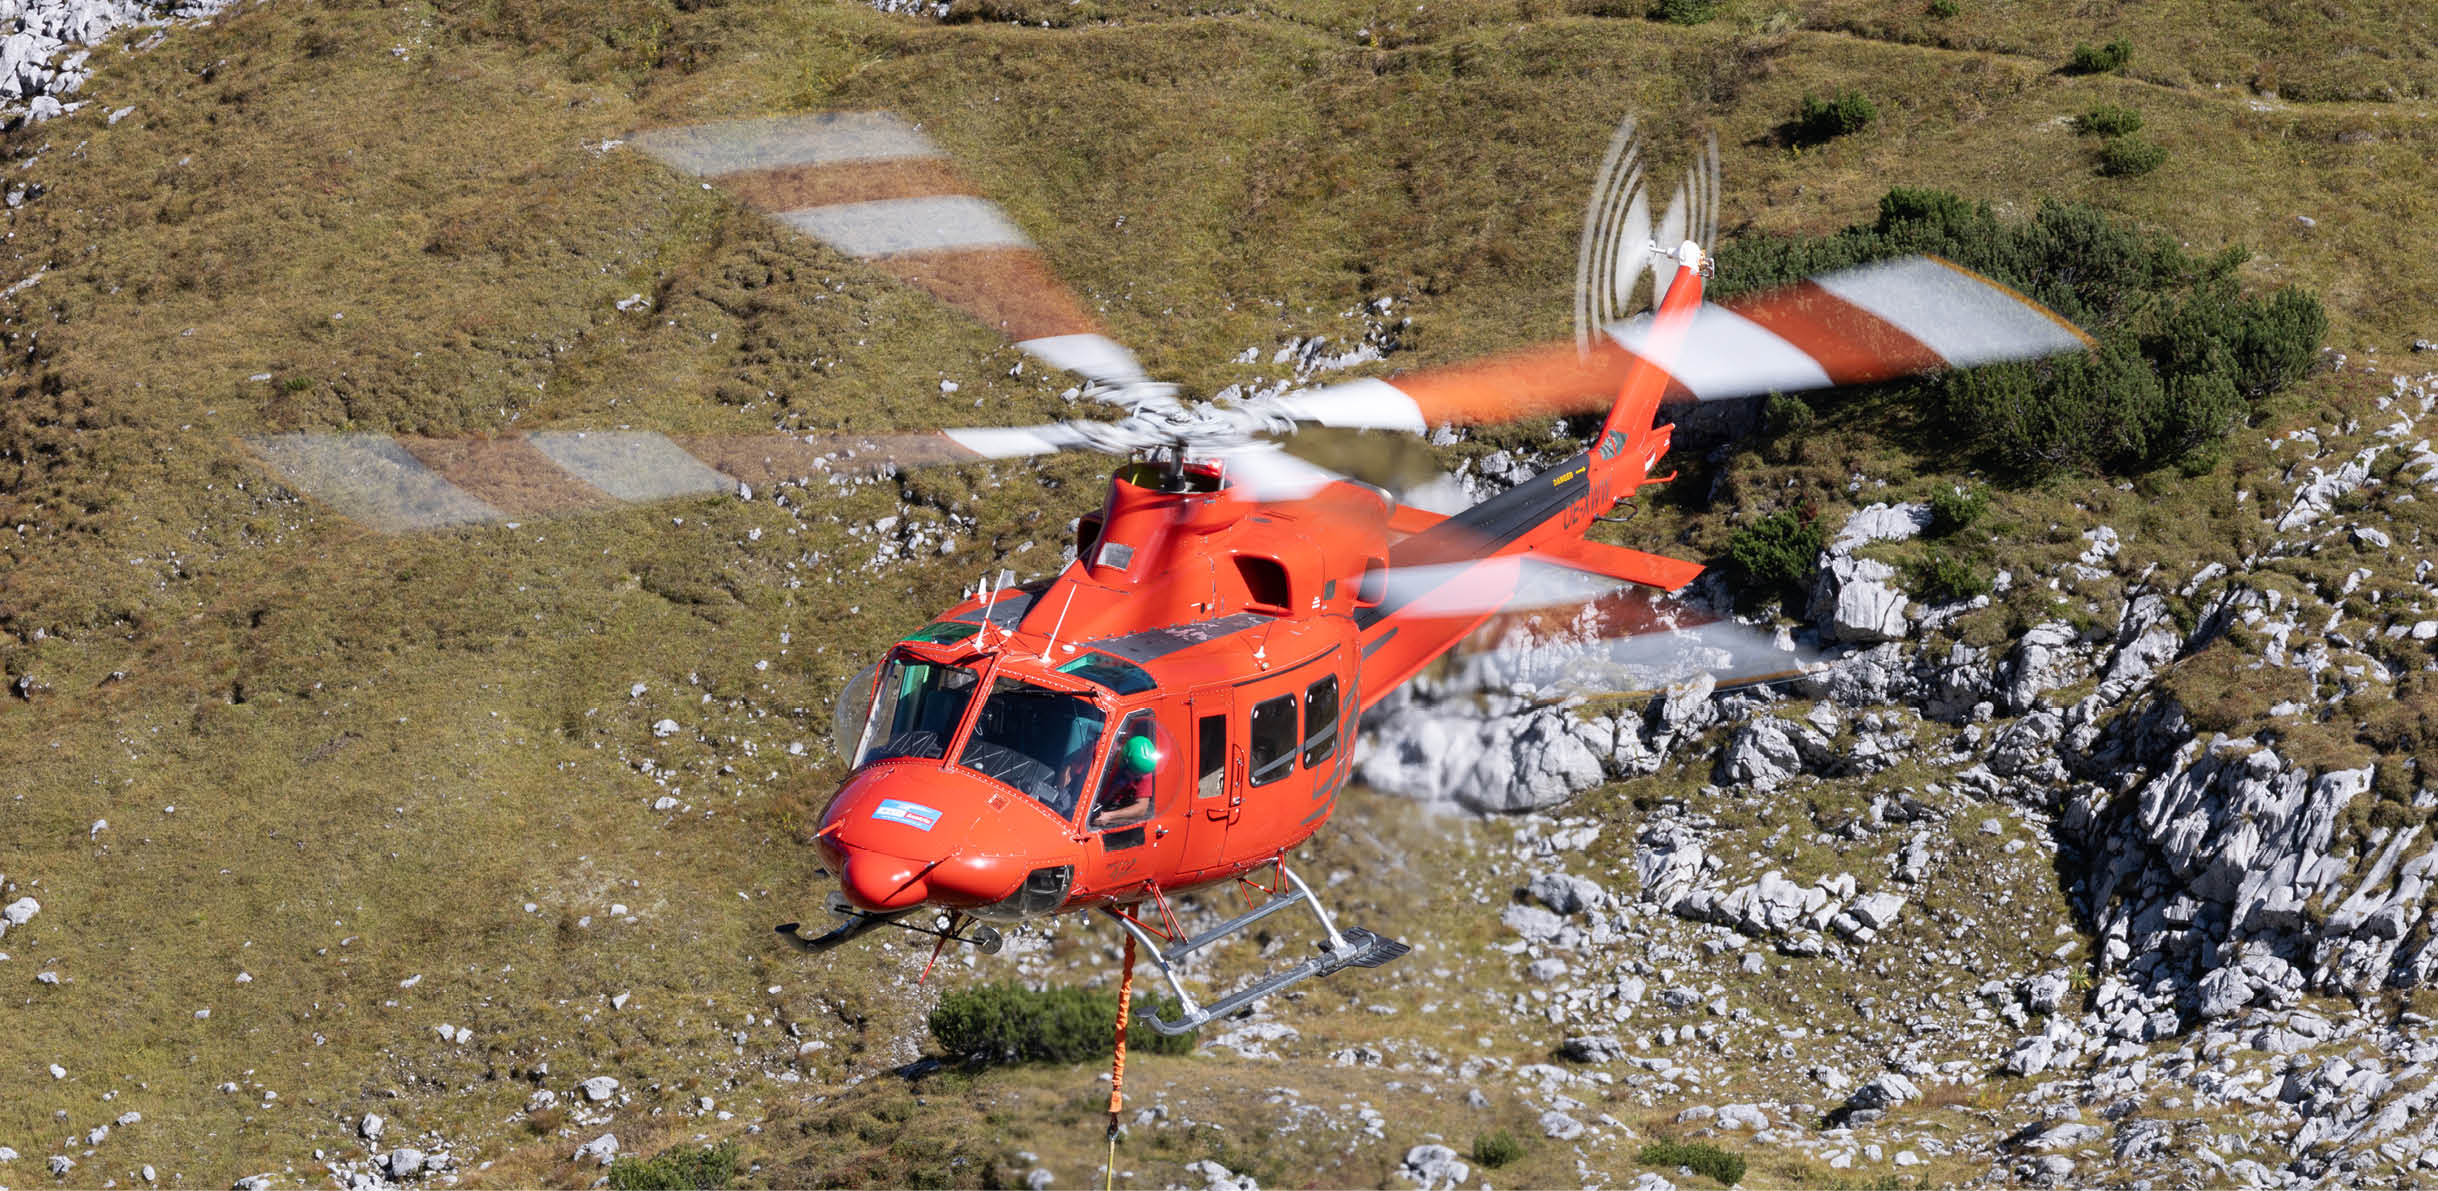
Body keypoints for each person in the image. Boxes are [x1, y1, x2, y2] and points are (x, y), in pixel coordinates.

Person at [1091, 727, 1158, 828]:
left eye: (1137, 775)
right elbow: (1070, 768)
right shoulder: (1100, 750)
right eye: (1132, 772)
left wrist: (1109, 816)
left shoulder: (1144, 770)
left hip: (1108, 808)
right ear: (1124, 758)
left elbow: (1141, 808)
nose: (1134, 777)